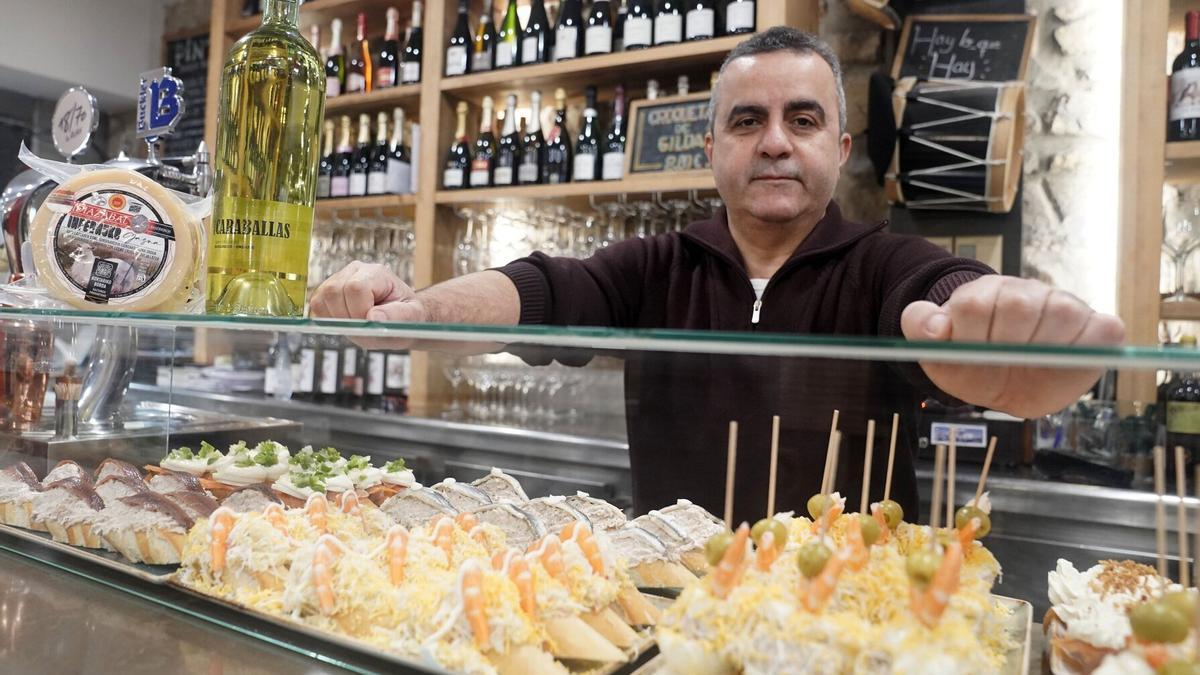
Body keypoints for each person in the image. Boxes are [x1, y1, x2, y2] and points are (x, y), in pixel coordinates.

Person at [311, 27, 1125, 523]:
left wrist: (991, 328)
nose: (775, 141)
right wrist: (420, 308)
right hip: (680, 612)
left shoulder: (882, 262)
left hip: (849, 620)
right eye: (748, 121)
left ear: (839, 152)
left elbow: (942, 290)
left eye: (802, 120)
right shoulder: (658, 263)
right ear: (712, 152)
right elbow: (543, 289)